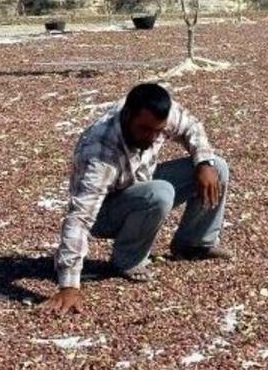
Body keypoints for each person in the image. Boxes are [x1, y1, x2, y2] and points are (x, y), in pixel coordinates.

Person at [43, 83, 231, 314]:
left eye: (158, 131)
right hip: (105, 211)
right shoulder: (100, 152)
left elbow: (192, 127)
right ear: (127, 115)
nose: (152, 137)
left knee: (216, 167)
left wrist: (203, 162)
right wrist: (69, 285)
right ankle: (126, 260)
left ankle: (194, 244)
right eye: (144, 130)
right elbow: (79, 218)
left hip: (141, 181)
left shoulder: (157, 115)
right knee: (159, 193)